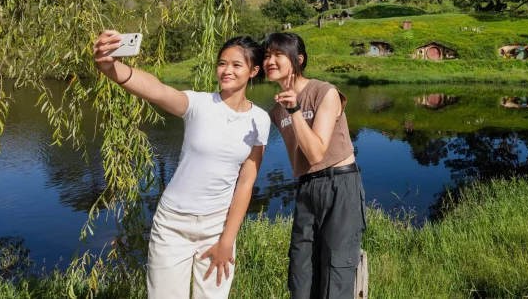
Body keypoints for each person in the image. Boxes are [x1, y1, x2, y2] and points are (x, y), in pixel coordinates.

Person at [91, 30, 270, 299]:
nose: (226, 71)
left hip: (218, 226)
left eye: (236, 65)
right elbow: (156, 90)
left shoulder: (260, 119)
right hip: (172, 224)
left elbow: (246, 182)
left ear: (253, 71)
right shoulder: (198, 104)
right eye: (222, 63)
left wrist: (227, 241)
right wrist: (110, 66)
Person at [262, 32, 366, 299]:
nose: (270, 61)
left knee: (336, 272)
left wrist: (294, 110)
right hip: (307, 188)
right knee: (301, 271)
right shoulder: (276, 111)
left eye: (277, 54)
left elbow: (316, 152)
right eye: (266, 56)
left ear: (298, 59)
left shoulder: (325, 92)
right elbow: (296, 160)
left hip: (339, 185)